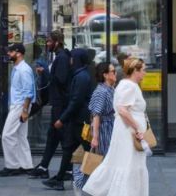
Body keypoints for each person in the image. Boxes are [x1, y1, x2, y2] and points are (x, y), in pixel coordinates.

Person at [82, 58, 150, 196]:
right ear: (135, 71)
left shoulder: (123, 86)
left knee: (123, 161)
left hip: (124, 130)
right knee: (125, 162)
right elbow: (120, 110)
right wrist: (137, 128)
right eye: (143, 70)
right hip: (126, 132)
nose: (145, 73)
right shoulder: (127, 86)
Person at [43, 49, 94, 191]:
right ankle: (59, 179)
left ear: (76, 59)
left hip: (80, 121)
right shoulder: (79, 75)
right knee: (68, 148)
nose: (70, 60)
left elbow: (76, 101)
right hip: (76, 120)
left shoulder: (81, 77)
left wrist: (62, 119)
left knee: (89, 150)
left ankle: (100, 179)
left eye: (72, 58)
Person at [29, 30, 71, 179]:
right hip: (58, 103)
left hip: (60, 104)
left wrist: (45, 72)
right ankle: (44, 166)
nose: (47, 44)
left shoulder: (62, 58)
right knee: (53, 136)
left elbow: (60, 80)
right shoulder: (60, 57)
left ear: (57, 42)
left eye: (49, 41)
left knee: (63, 137)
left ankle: (67, 170)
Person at [73, 62, 116, 191]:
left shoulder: (111, 89)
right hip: (104, 129)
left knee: (104, 160)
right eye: (113, 71)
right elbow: (96, 115)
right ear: (105, 75)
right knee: (100, 159)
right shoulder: (101, 91)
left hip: (110, 127)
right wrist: (95, 137)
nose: (115, 73)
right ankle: (80, 182)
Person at [0, 43, 35, 176]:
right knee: (20, 136)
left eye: (11, 52)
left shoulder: (23, 70)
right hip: (19, 105)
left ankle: (12, 165)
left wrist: (24, 110)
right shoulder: (18, 68)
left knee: (7, 135)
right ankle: (26, 165)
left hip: (20, 106)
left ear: (18, 53)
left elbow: (28, 92)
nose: (8, 54)